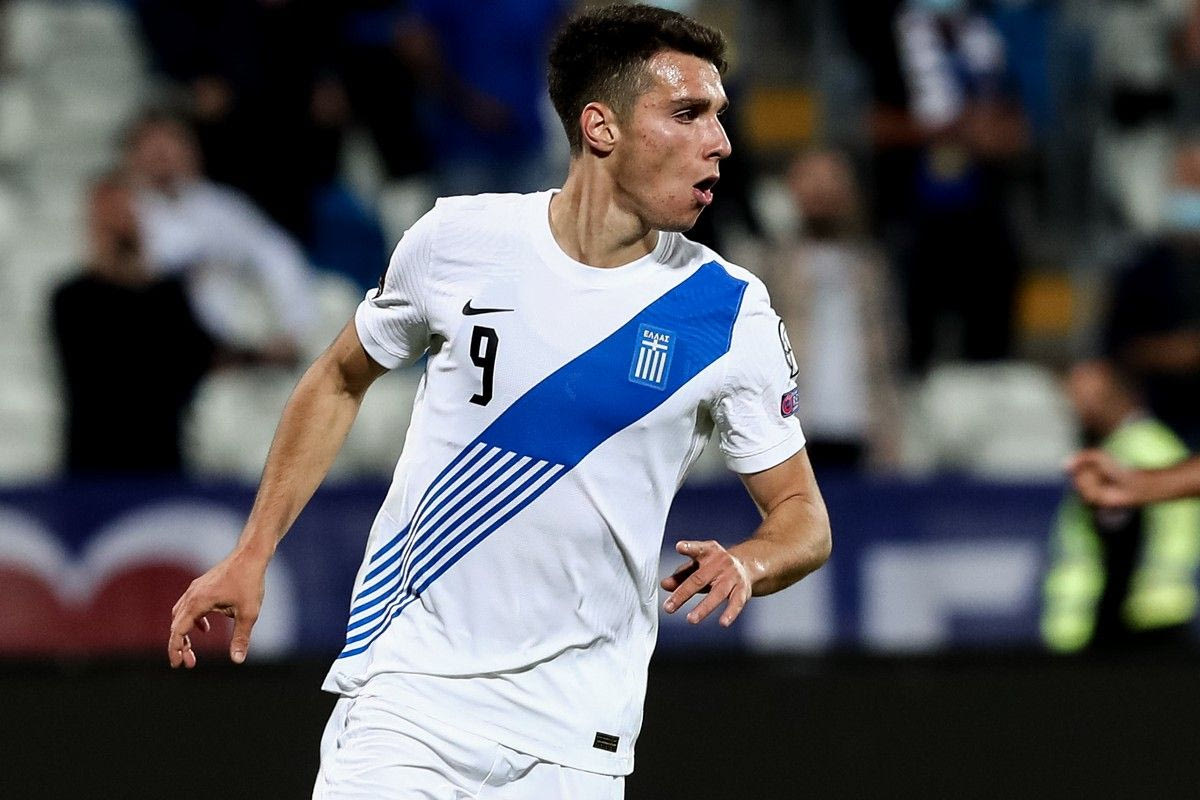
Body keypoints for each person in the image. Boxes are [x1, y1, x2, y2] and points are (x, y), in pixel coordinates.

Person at [167, 5, 832, 798]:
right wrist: (252, 550)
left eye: (719, 116)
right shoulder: (458, 241)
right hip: (407, 702)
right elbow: (340, 377)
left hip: (574, 742)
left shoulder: (728, 312)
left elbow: (803, 515)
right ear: (602, 127)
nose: (720, 141)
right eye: (688, 114)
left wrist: (748, 563)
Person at [52, 172, 216, 476]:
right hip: (92, 462)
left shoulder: (169, 294)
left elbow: (197, 357)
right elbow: (106, 370)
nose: (120, 223)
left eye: (125, 212)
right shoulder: (72, 298)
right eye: (109, 215)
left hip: (162, 457)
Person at [123, 109, 316, 363]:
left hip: (245, 340)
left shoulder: (222, 206)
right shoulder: (123, 212)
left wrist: (292, 328)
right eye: (152, 148)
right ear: (133, 156)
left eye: (171, 143)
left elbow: (275, 254)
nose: (163, 154)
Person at [756, 148, 904, 470]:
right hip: (792, 425)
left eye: (832, 181)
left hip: (865, 426)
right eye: (811, 180)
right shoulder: (767, 265)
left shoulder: (873, 267)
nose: (821, 190)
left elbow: (891, 349)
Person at [1043, 361, 1200, 653]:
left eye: (1082, 396)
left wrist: (1103, 629)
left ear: (1114, 396)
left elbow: (1120, 548)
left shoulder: (1132, 452)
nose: (1072, 406)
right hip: (1154, 613)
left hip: (1137, 622)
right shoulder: (1147, 444)